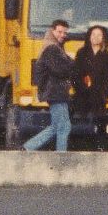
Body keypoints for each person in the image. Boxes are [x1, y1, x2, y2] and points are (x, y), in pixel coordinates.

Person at [20, 19, 76, 152]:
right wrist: (74, 63)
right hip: (55, 92)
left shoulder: (53, 46)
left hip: (55, 92)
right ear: (52, 31)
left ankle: (28, 147)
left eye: (65, 32)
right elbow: (60, 70)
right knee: (63, 126)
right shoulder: (51, 48)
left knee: (58, 126)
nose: (62, 35)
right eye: (59, 31)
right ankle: (59, 156)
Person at [71, 24, 108, 146]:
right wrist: (81, 87)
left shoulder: (106, 56)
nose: (96, 37)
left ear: (103, 38)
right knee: (80, 126)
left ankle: (99, 150)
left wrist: (104, 93)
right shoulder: (81, 53)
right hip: (82, 95)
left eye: (99, 35)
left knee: (101, 126)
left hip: (98, 97)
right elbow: (75, 74)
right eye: (93, 34)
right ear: (89, 37)